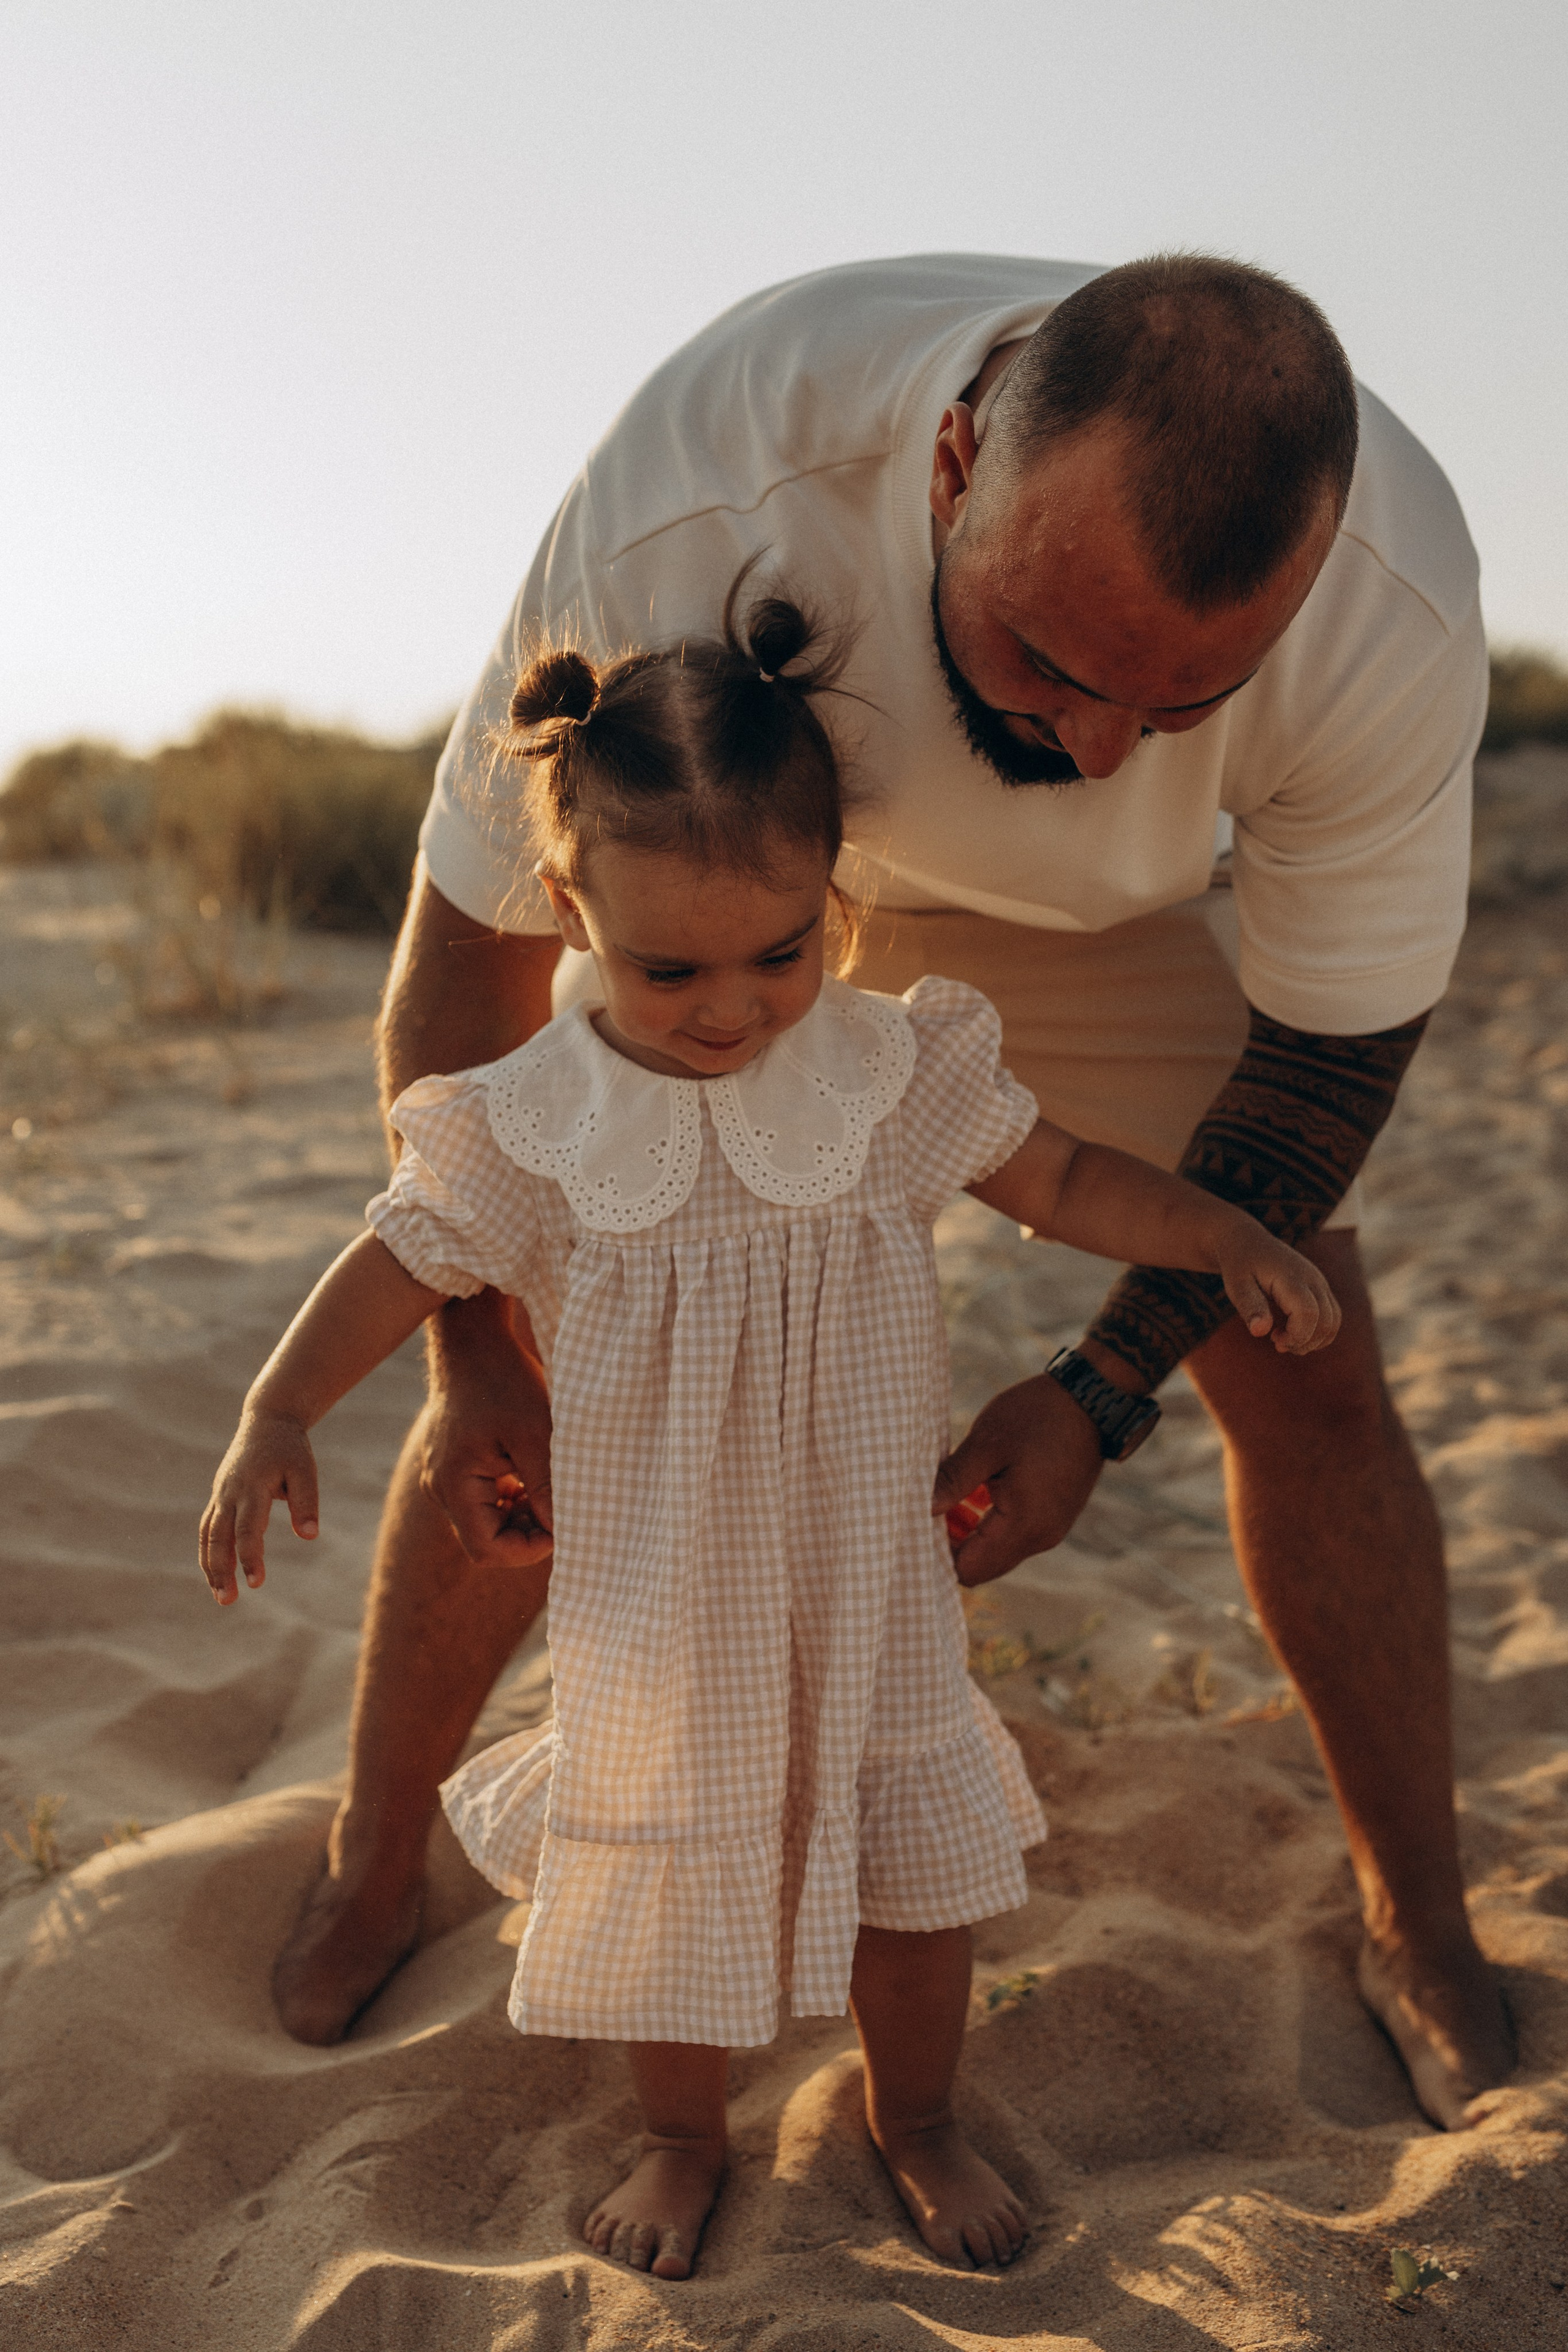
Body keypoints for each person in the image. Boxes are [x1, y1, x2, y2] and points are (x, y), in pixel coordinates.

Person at [273, 250, 1515, 2134]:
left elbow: (1330, 1056)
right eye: (1051, 661)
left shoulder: (1392, 610)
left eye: (1183, 705)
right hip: (761, 905)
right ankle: (376, 1854)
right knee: (535, 1359)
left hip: (1143, 934)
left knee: (1312, 1353)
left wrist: (1104, 1391)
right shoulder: (710, 480)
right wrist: (473, 1356)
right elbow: (466, 979)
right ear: (949, 466)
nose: (1095, 749)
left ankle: (1420, 1918)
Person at [201, 584, 1340, 2276]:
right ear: (574, 911)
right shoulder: (535, 1119)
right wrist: (280, 1405)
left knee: (910, 1877)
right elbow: (395, 1259)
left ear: (832, 902)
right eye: (672, 967)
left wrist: (1227, 1235)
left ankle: (919, 2115)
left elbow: (1067, 1178)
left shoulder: (882, 1071)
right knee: (671, 1882)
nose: (733, 1004)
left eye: (781, 949)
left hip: (868, 1584)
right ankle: (680, 2138)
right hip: (662, 1608)